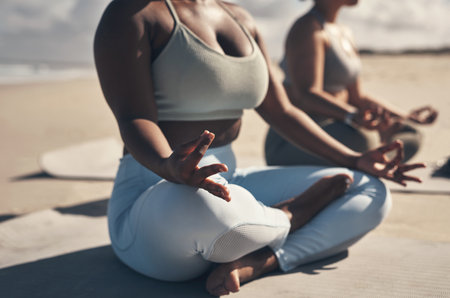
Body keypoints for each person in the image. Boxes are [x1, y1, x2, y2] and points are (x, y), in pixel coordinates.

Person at [94, 0, 423, 296]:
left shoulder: (240, 18)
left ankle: (264, 259)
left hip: (228, 183)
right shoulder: (132, 13)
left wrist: (354, 158)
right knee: (200, 207)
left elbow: (282, 110)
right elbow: (134, 116)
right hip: (157, 188)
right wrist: (168, 165)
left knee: (370, 190)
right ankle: (289, 216)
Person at [265, 0, 438, 166]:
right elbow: (306, 95)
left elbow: (358, 97)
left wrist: (403, 116)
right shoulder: (308, 29)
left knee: (410, 133)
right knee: (364, 139)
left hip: (340, 126)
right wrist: (353, 116)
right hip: (297, 136)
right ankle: (369, 162)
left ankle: (372, 163)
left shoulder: (344, 32)